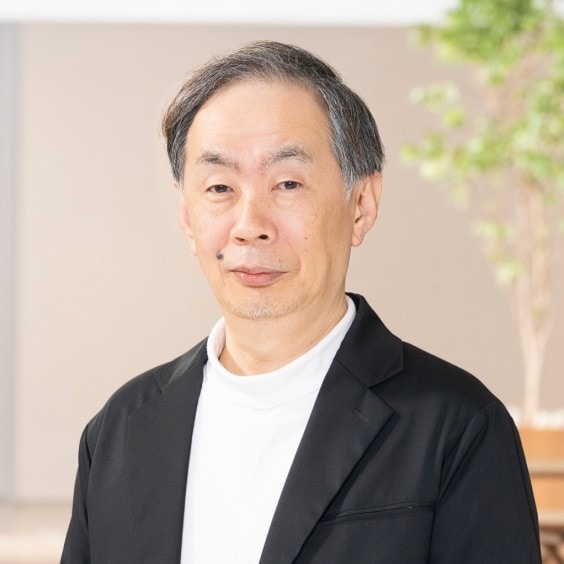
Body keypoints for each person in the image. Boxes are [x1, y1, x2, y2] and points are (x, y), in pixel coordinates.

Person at [61, 41, 540, 563]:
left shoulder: (457, 426)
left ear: (361, 206)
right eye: (219, 187)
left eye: (288, 183)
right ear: (187, 218)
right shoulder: (121, 430)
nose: (250, 226)